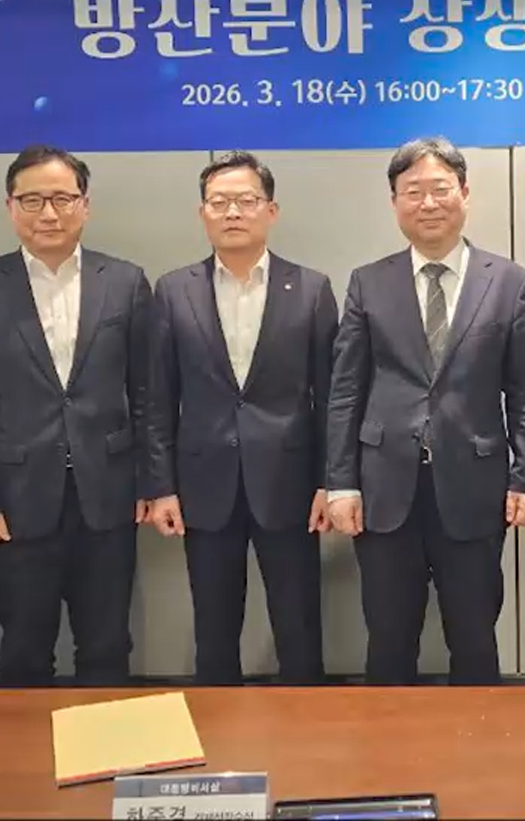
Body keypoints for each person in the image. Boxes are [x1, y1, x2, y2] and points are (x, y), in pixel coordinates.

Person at [325, 136, 525, 685]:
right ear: (395, 201)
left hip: (474, 485)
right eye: (413, 191)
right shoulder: (368, 282)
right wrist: (341, 483)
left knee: (474, 637)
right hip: (384, 489)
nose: (428, 203)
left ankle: (480, 739)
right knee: (388, 639)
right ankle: (389, 741)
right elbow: (346, 390)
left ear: (465, 193)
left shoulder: (509, 282)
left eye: (440, 189)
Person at [0, 145, 152, 687]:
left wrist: (152, 483)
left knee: (107, 645)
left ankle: (104, 739)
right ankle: (29, 744)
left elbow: (147, 395)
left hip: (108, 497)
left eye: (62, 198)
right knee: (24, 650)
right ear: (10, 208)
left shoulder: (125, 281)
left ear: (85, 205)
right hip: (16, 501)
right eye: (32, 200)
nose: (48, 213)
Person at [148, 152, 335, 685]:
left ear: (270, 211)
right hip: (204, 485)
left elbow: (330, 397)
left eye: (246, 201)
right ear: (202, 213)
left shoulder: (312, 288)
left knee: (299, 624)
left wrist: (329, 481)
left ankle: (306, 720)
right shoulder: (173, 290)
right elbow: (158, 398)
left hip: (290, 485)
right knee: (214, 627)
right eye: (219, 202)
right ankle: (216, 723)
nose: (232, 212)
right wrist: (161, 487)